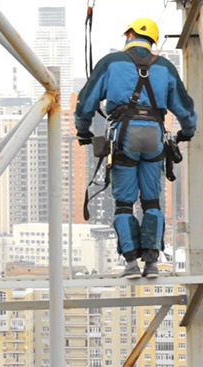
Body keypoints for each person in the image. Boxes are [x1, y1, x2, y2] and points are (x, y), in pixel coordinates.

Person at [75, 18, 196, 278]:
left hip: (124, 136)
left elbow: (86, 101)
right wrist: (187, 131)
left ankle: (130, 263)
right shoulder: (164, 66)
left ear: (129, 34)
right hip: (154, 135)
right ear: (152, 40)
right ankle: (151, 263)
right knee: (152, 201)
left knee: (124, 204)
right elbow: (185, 107)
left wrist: (83, 129)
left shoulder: (111, 62)